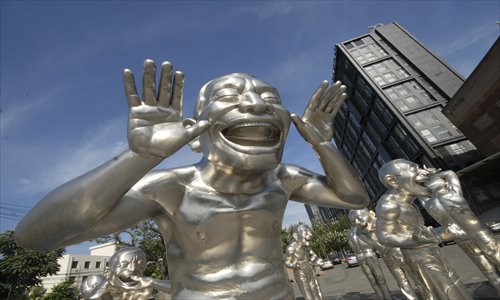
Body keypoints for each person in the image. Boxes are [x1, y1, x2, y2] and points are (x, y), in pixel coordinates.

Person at [15, 60, 369, 299]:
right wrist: (141, 157)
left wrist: (323, 145)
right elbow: (34, 236)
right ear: (196, 137)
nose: (256, 105)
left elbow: (355, 199)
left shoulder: (284, 180)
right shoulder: (170, 189)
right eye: (229, 96)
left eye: (269, 98)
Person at [375, 159, 472, 300]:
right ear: (392, 180)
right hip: (419, 259)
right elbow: (384, 237)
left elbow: (447, 191)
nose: (423, 173)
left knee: (456, 287)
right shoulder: (388, 205)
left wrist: (438, 178)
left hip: (432, 251)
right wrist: (438, 236)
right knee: (446, 293)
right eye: (414, 170)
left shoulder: (408, 202)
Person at [420, 170, 500, 294]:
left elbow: (419, 193)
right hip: (477, 234)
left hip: (466, 237)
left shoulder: (430, 203)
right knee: (492, 264)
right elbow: (450, 173)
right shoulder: (453, 194)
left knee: (488, 269)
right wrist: (432, 174)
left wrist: (421, 179)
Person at [349, 209, 422, 300]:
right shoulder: (361, 232)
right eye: (353, 221)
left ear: (367, 214)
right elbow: (375, 245)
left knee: (416, 277)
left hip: (400, 252)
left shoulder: (380, 222)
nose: (357, 222)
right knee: (401, 282)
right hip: (387, 257)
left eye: (359, 218)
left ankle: (428, 296)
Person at [84, 247, 170, 300]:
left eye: (140, 264)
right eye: (124, 264)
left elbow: (180, 289)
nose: (133, 269)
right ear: (109, 270)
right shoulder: (105, 290)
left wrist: (152, 282)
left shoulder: (147, 285)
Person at [348, 210, 392, 300]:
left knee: (378, 278)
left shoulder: (362, 229)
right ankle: (382, 297)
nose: (355, 221)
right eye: (353, 220)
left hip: (367, 255)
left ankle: (387, 297)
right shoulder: (352, 232)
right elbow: (353, 246)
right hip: (363, 256)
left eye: (357, 218)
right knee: (373, 279)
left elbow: (373, 242)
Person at [285, 224, 324, 300]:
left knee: (317, 290)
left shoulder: (306, 246)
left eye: (309, 231)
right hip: (300, 272)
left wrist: (317, 261)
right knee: (307, 292)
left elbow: (314, 255)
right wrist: (295, 265)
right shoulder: (291, 248)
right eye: (305, 233)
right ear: (296, 236)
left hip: (310, 269)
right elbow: (286, 262)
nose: (310, 234)